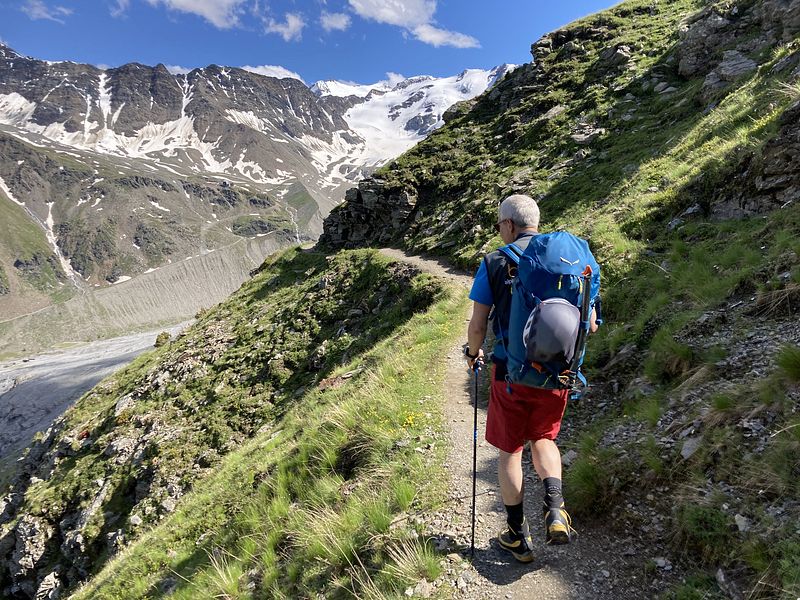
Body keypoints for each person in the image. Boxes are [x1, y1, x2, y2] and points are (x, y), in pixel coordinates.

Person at [464, 194, 597, 563]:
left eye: (499, 225)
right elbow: (591, 323)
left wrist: (473, 354)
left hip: (511, 373)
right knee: (544, 438)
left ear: (509, 224)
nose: (499, 231)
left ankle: (516, 536)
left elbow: (478, 325)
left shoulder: (495, 261)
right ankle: (555, 510)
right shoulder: (569, 264)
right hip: (558, 374)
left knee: (510, 450)